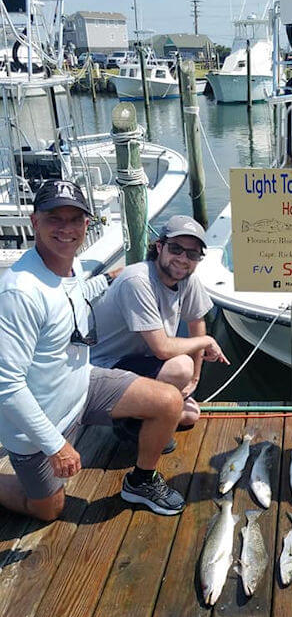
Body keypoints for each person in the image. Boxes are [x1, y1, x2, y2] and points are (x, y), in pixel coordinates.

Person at [0, 180, 188, 520]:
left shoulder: (67, 265)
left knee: (168, 402)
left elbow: (69, 296)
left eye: (75, 219)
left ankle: (141, 482)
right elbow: (7, 386)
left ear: (87, 223)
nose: (66, 229)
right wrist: (55, 445)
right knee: (48, 510)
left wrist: (108, 279)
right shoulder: (19, 293)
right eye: (54, 218)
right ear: (34, 221)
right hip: (39, 425)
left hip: (82, 387)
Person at [90, 215, 229, 442]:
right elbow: (162, 349)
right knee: (180, 367)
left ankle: (141, 412)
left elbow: (196, 322)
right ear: (159, 247)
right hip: (104, 370)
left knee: (190, 415)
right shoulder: (137, 280)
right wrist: (206, 342)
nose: (183, 259)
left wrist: (194, 380)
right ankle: (129, 421)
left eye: (192, 254)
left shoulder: (188, 280)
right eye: (176, 249)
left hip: (139, 363)